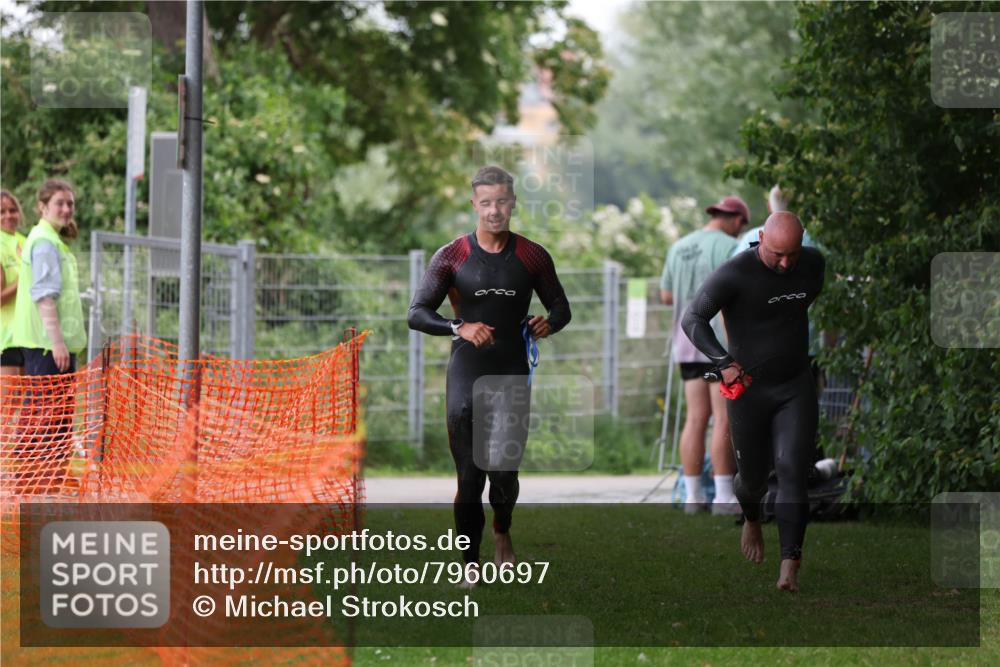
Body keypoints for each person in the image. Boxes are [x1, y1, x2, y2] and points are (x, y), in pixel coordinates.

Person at [408, 165, 571, 587]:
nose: (494, 211)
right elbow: (417, 313)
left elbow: (561, 308)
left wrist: (547, 323)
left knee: (503, 472)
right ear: (474, 205)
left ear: (513, 202)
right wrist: (457, 326)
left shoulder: (532, 256)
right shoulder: (452, 255)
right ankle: (469, 565)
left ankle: (502, 531)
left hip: (511, 368)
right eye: (486, 203)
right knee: (469, 473)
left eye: (501, 202)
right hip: (467, 369)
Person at [682, 211, 825, 592]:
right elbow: (693, 318)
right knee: (752, 482)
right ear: (761, 237)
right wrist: (724, 363)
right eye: (777, 253)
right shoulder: (735, 274)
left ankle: (790, 563)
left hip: (795, 384)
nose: (785, 263)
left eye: (792, 254)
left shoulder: (812, 265)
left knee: (792, 466)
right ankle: (751, 518)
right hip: (749, 390)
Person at [659, 195, 748, 514]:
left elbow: (667, 295)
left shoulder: (678, 246)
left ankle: (693, 496)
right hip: (717, 344)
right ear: (737, 221)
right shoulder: (728, 248)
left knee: (695, 418)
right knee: (723, 418)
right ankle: (724, 496)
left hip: (686, 343)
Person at [10, 179, 86, 492]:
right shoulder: (44, 242)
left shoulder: (51, 239)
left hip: (52, 344)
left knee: (51, 414)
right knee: (46, 414)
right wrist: (57, 341)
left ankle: (49, 476)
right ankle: (35, 480)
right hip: (47, 346)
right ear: (42, 207)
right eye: (60, 203)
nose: (66, 209)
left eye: (70, 203)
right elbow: (45, 295)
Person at [1, 189, 26, 377]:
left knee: (25, 403)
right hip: (6, 338)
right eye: (2, 211)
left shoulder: (26, 241)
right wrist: (25, 279)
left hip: (29, 336)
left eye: (12, 210)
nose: (8, 215)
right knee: (7, 404)